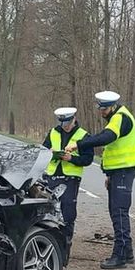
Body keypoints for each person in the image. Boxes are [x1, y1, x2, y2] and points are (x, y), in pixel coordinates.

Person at [65, 91, 135, 269]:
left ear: (113, 106)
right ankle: (128, 252)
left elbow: (106, 138)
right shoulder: (116, 118)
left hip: (123, 171)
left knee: (119, 212)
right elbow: (114, 147)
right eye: (100, 108)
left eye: (104, 108)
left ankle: (120, 256)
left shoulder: (120, 118)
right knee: (117, 211)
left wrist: (79, 144)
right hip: (118, 172)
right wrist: (108, 174)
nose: (101, 111)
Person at [42, 107, 93, 261]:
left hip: (71, 178)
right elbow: (42, 151)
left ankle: (65, 251)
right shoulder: (53, 132)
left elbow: (88, 159)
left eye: (68, 122)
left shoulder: (83, 135)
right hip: (51, 177)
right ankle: (49, 248)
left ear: (74, 119)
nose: (65, 125)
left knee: (67, 214)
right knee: (49, 212)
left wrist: (72, 159)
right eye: (62, 122)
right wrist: (50, 153)